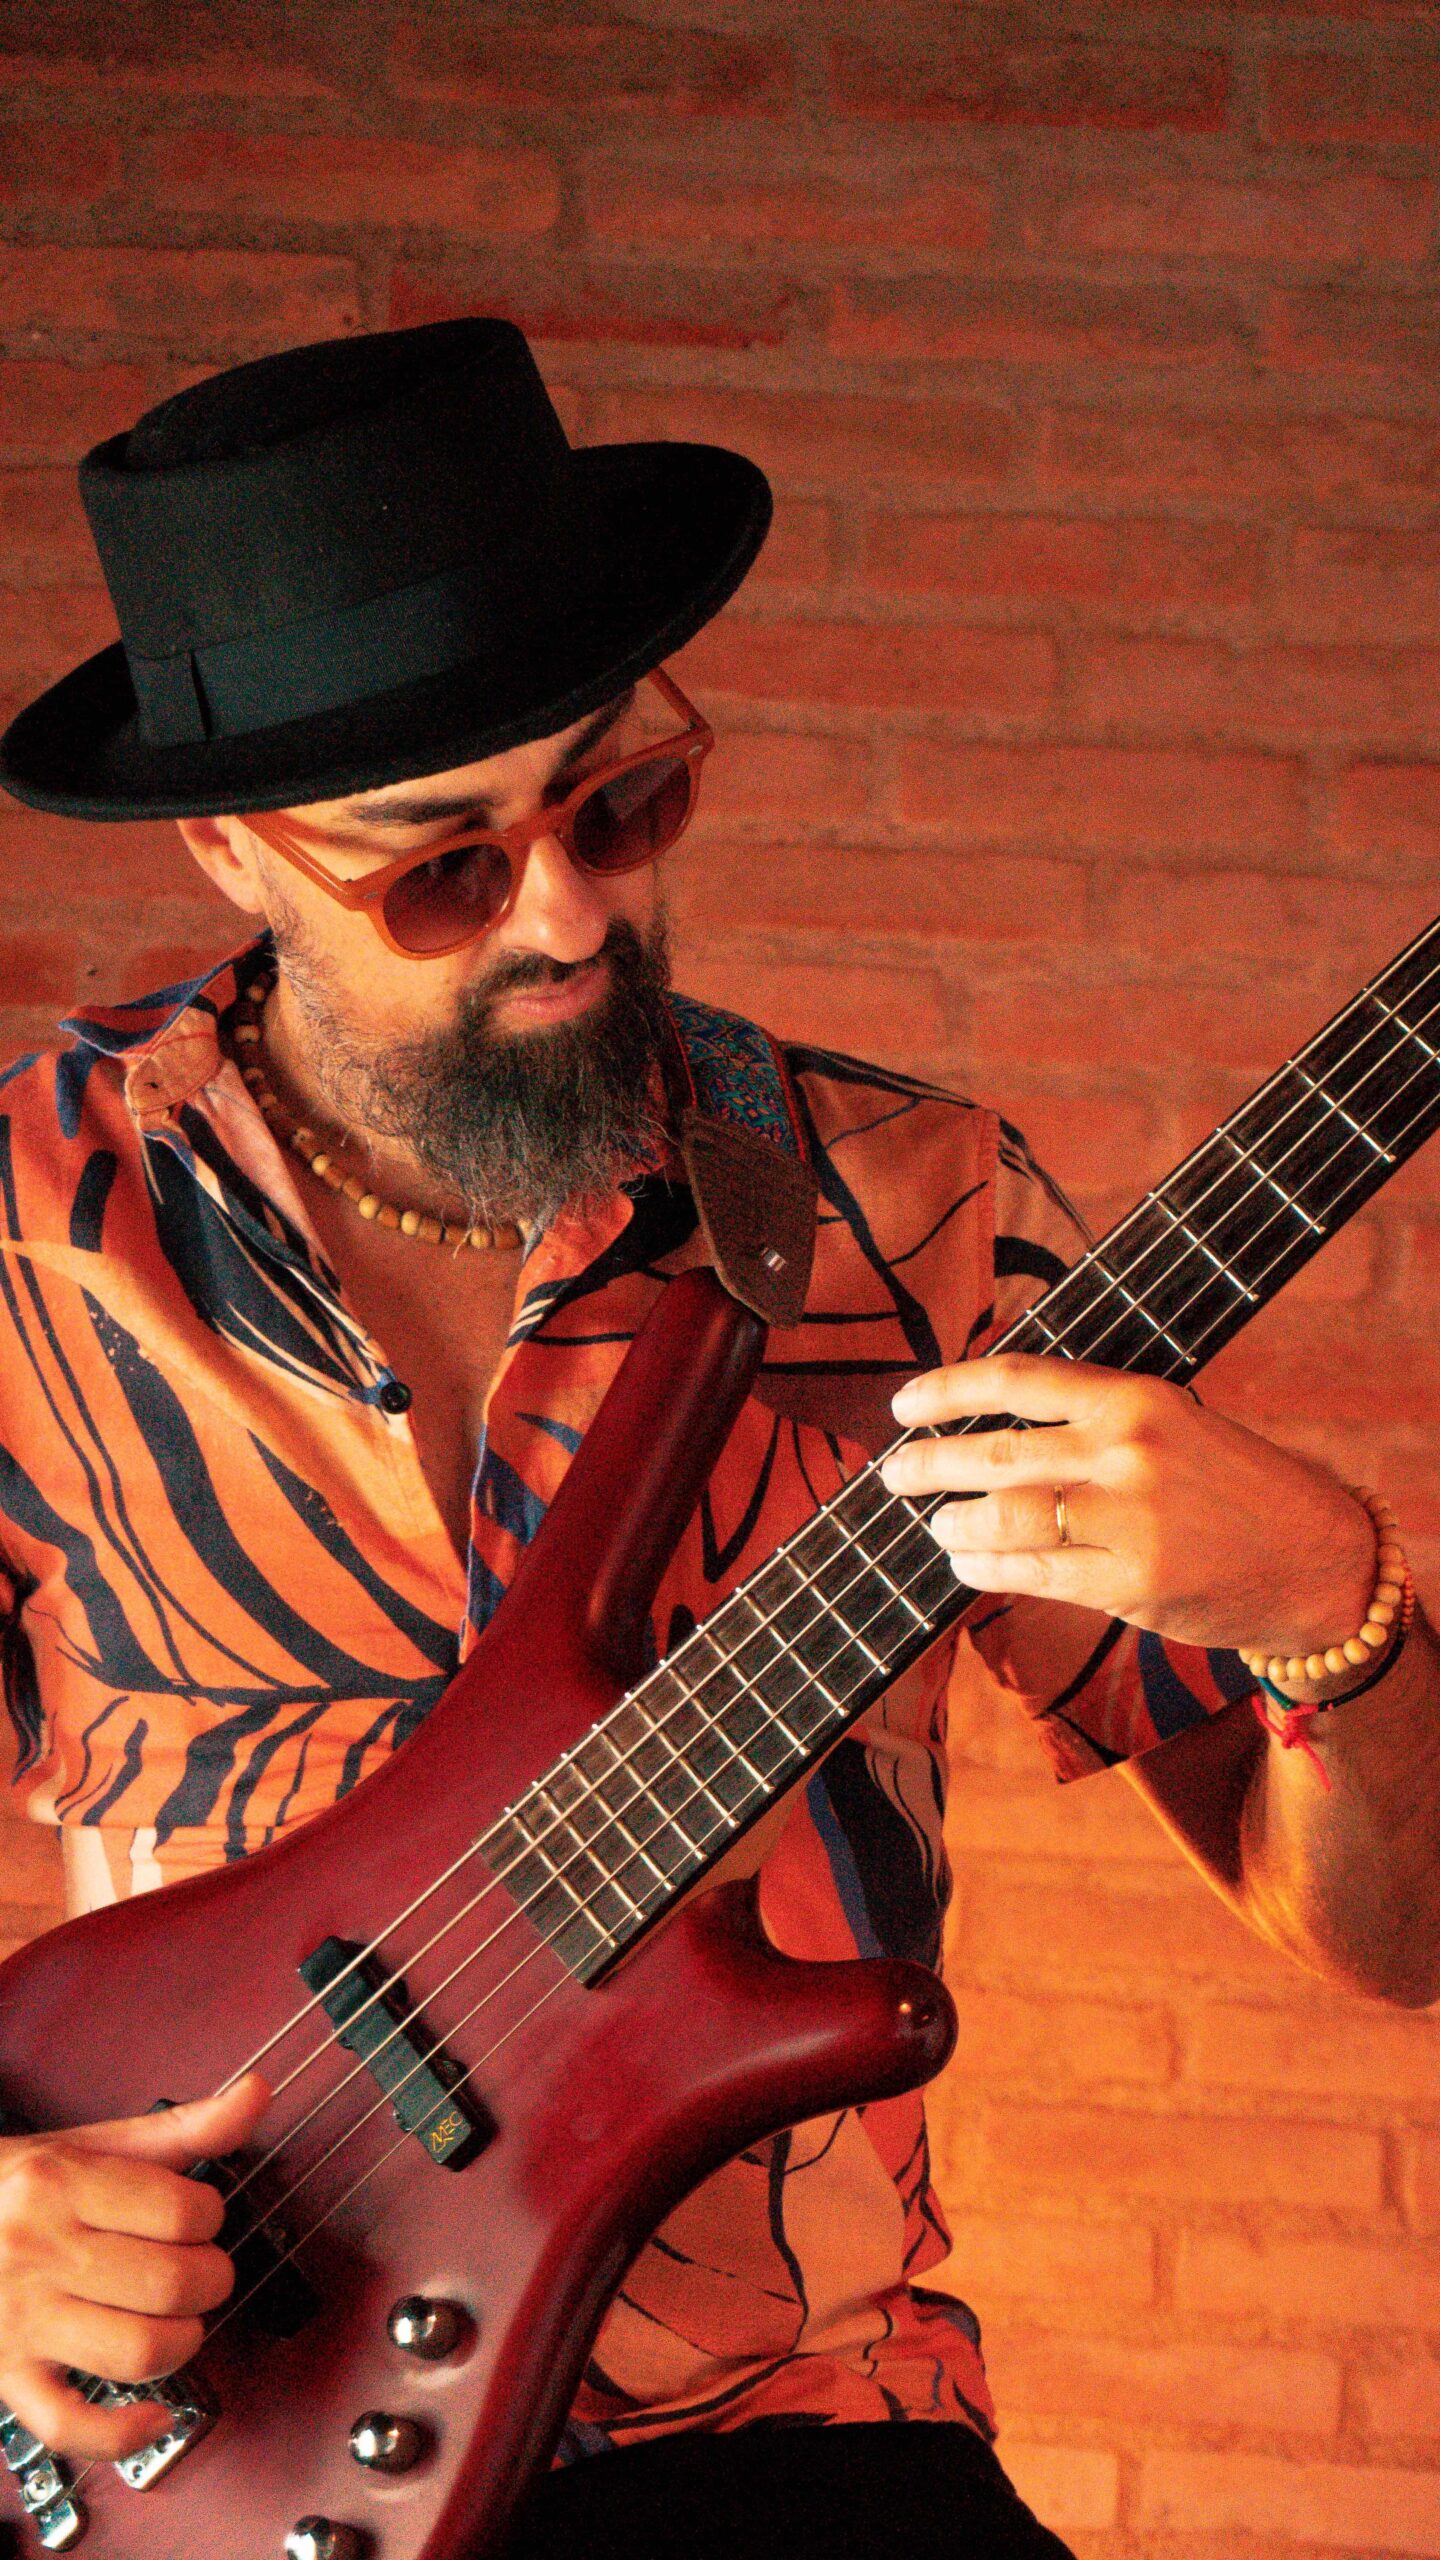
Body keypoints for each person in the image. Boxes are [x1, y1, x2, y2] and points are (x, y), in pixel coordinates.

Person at [0, 319, 1434, 2560]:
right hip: (192, 2444)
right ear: (228, 850)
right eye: (442, 869)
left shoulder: (903, 1204)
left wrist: (1329, 1606)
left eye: (618, 802)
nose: (568, 914)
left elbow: (1395, 1938)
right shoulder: (31, 1234)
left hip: (791, 2443)